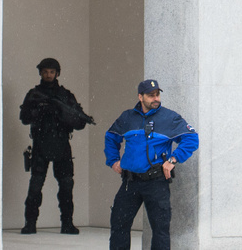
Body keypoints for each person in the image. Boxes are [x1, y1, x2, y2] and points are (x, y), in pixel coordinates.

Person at [104, 79, 198, 250]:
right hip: (130, 182)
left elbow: (191, 138)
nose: (156, 98)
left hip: (156, 182)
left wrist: (173, 160)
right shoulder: (127, 117)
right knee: (119, 224)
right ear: (140, 97)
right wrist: (113, 161)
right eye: (151, 95)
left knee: (160, 229)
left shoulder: (169, 118)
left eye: (157, 94)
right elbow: (111, 137)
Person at [19, 57, 94, 234]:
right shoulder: (34, 94)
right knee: (35, 186)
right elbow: (24, 118)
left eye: (51, 72)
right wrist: (40, 110)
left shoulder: (65, 96)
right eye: (45, 72)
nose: (48, 75)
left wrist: (62, 113)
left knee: (66, 186)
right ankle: (30, 223)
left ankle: (67, 223)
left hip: (61, 145)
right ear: (40, 73)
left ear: (57, 74)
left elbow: (79, 122)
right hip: (41, 144)